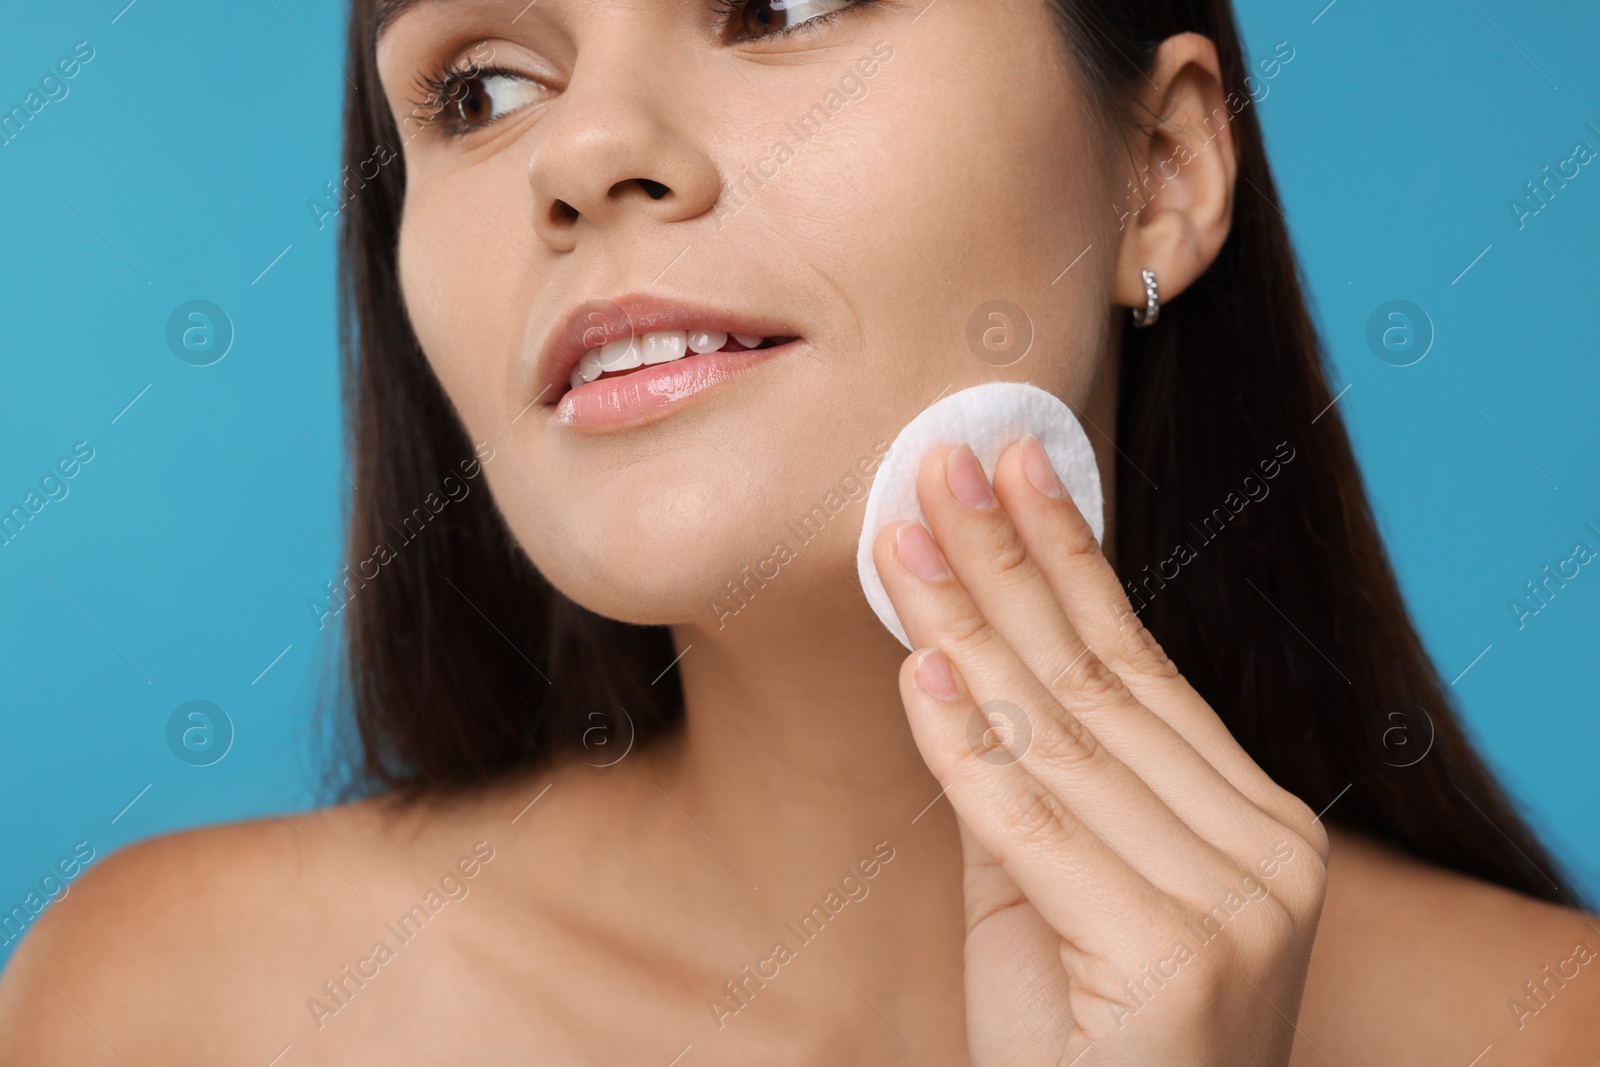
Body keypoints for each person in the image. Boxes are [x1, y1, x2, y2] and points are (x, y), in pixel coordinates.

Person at [3, 0, 1596, 1062]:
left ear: (1162, 171)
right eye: (480, 89)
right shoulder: (179, 1009)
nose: (581, 154)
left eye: (781, 3)